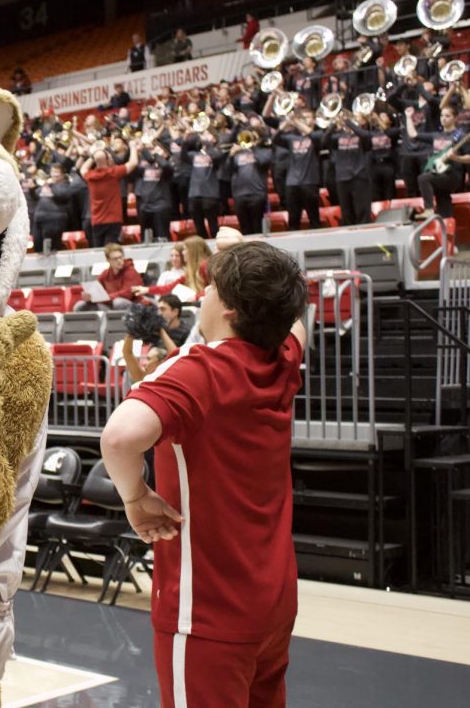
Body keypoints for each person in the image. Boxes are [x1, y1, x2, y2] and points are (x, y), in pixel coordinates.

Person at [100, 242, 308, 708]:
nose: (203, 293)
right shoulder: (283, 356)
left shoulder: (197, 370)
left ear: (230, 308)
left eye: (210, 285)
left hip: (208, 609)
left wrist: (135, 498)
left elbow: (118, 438)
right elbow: (294, 318)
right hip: (273, 604)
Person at [82, 142, 140, 247]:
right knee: (111, 249)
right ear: (108, 160)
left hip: (96, 221)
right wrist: (132, 146)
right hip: (113, 220)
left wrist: (93, 155)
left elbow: (83, 169)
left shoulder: (90, 176)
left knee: (99, 251)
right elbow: (133, 162)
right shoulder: (113, 173)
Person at [97, 243, 145, 309]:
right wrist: (90, 296)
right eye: (115, 259)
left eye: (120, 257)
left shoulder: (131, 272)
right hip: (112, 304)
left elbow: (126, 294)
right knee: (83, 304)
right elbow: (96, 288)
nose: (119, 261)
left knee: (118, 302)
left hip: (135, 305)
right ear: (108, 260)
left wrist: (106, 297)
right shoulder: (106, 273)